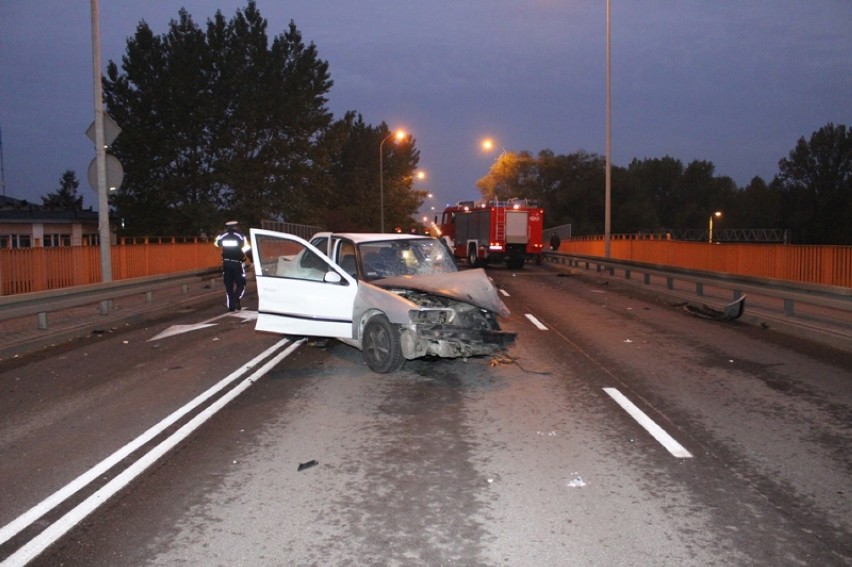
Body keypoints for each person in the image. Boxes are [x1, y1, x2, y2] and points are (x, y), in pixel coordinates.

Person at [214, 220, 251, 311]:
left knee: (229, 285)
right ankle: (236, 298)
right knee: (241, 283)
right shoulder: (241, 236)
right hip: (237, 264)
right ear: (236, 227)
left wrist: (220, 235)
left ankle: (231, 306)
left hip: (226, 264)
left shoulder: (223, 236)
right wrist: (252, 259)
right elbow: (246, 249)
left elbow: (217, 244)